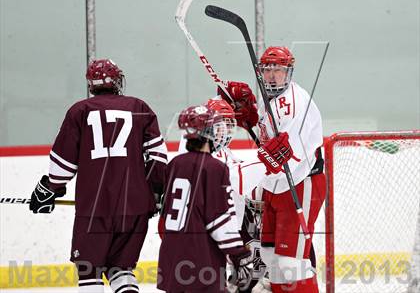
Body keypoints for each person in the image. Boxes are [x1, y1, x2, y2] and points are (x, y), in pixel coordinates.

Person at [29, 59, 167, 293]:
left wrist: (48, 190)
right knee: (121, 271)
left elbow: (63, 165)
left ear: (91, 85)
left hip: (94, 208)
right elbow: (157, 159)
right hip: (134, 208)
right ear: (117, 80)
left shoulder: (79, 111)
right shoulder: (139, 107)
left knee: (89, 273)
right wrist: (155, 193)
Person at [220, 47, 326, 293]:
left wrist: (254, 171)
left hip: (301, 183)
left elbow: (289, 158)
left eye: (278, 70)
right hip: (277, 186)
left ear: (289, 72)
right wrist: (249, 119)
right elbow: (270, 142)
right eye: (267, 70)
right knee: (270, 257)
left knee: (291, 265)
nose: (272, 76)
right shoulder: (271, 100)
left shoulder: (298, 104)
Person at [158, 104, 253, 293]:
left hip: (171, 256)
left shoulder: (175, 164)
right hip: (200, 259)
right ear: (208, 132)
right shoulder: (215, 168)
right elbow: (219, 220)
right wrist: (238, 254)